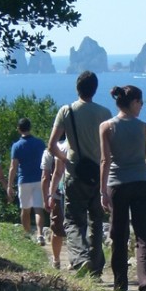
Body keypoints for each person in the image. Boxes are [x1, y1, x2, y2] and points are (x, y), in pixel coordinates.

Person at [49, 71, 109, 276]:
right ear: (95, 89)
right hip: (99, 174)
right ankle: (96, 269)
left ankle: (81, 259)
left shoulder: (66, 111)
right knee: (96, 222)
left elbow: (52, 145)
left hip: (75, 174)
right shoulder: (105, 113)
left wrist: (64, 159)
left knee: (73, 220)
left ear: (77, 88)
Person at [100, 84, 146, 291]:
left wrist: (102, 190)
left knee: (119, 234)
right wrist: (138, 165)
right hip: (142, 183)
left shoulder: (106, 127)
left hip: (117, 185)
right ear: (133, 103)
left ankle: (120, 283)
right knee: (144, 234)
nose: (141, 106)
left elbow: (105, 160)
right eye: (141, 102)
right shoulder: (144, 128)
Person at [7, 117, 47, 244]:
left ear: (19, 129)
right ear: (30, 127)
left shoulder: (16, 146)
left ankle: (27, 234)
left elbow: (13, 166)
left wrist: (9, 185)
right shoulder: (40, 143)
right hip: (39, 179)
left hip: (24, 180)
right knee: (38, 209)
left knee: (25, 209)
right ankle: (40, 234)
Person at [41, 139, 68, 269]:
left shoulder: (49, 152)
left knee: (57, 229)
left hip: (57, 194)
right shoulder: (73, 145)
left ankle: (56, 260)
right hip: (76, 192)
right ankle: (74, 261)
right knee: (77, 227)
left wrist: (46, 198)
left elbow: (45, 177)